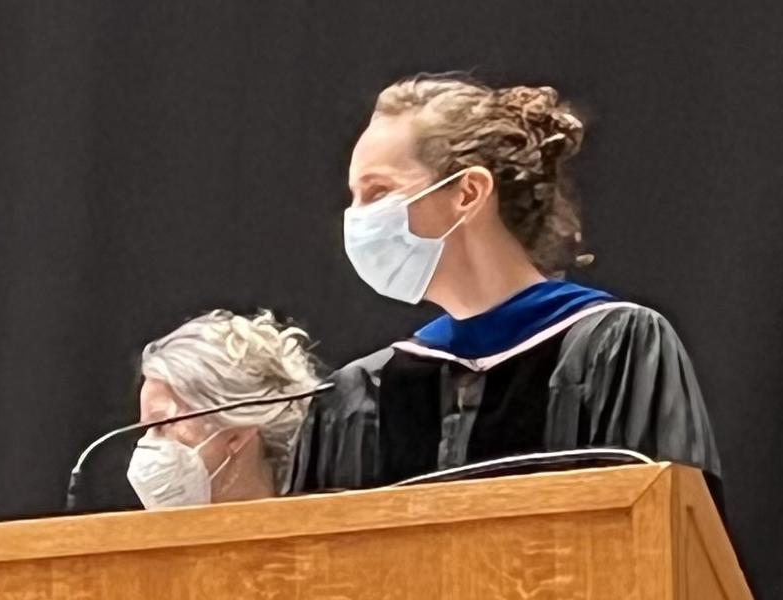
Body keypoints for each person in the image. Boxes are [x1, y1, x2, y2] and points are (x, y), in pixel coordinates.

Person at [295, 75, 724, 501]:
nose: (357, 218)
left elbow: (665, 536)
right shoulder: (358, 394)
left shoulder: (613, 349)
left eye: (378, 192)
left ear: (468, 193)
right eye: (355, 197)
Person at [126, 310, 325, 508]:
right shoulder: (134, 538)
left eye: (163, 424)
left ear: (235, 434)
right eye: (147, 428)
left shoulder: (330, 530)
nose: (148, 445)